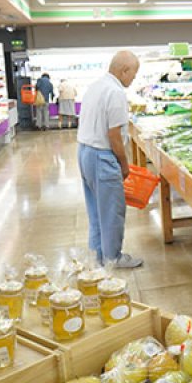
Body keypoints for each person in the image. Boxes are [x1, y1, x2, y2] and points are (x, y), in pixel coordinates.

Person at [77, 51, 143, 268]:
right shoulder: (115, 92)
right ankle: (113, 257)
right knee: (112, 210)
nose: (133, 79)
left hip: (85, 152)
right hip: (101, 155)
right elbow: (113, 135)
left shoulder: (96, 85)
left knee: (96, 209)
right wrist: (124, 165)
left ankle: (99, 255)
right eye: (133, 74)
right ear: (124, 70)